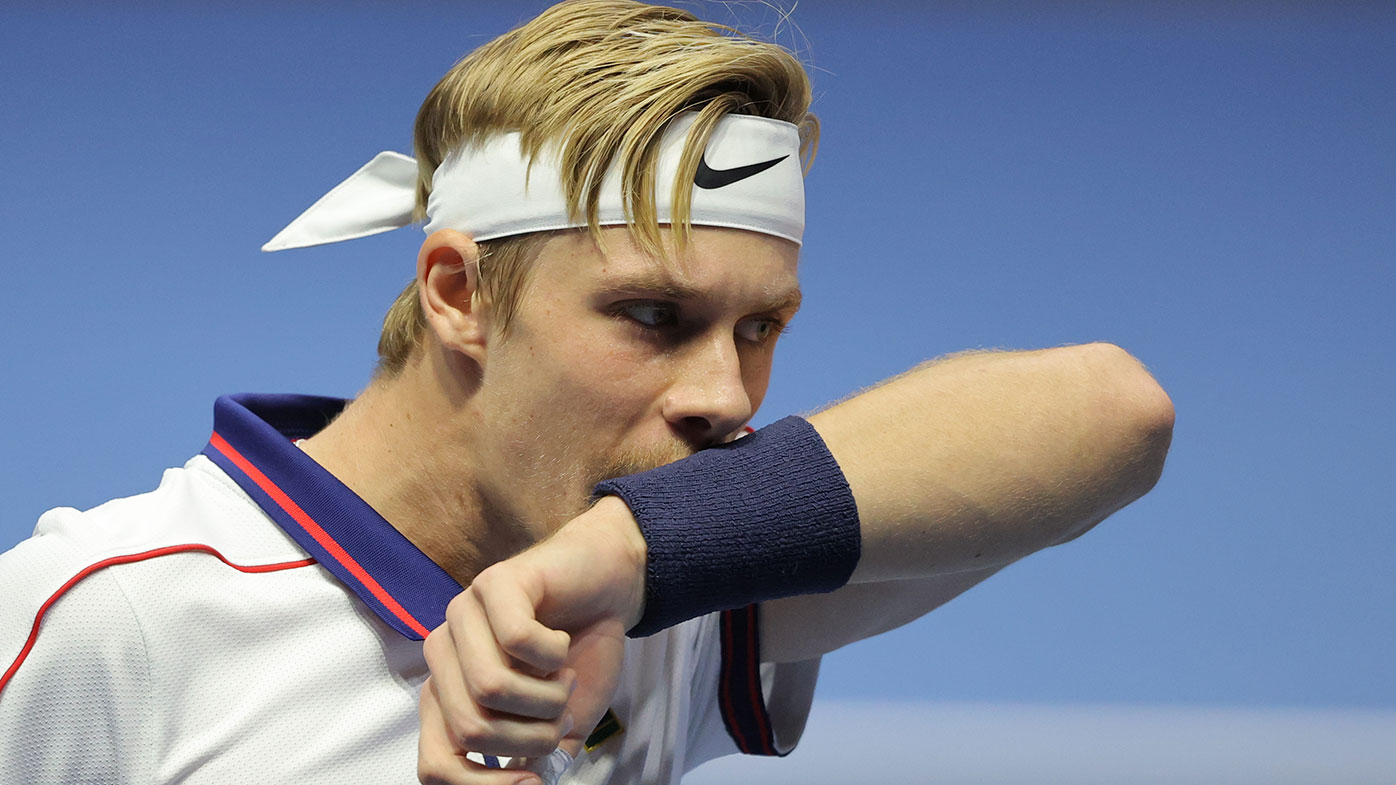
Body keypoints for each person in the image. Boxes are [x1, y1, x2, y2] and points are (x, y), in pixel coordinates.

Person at [0, 2, 1174, 785]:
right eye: (653, 317)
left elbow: (1114, 413)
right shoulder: (100, 620)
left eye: (761, 326)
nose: (724, 394)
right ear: (458, 292)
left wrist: (634, 552)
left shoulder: (672, 578)